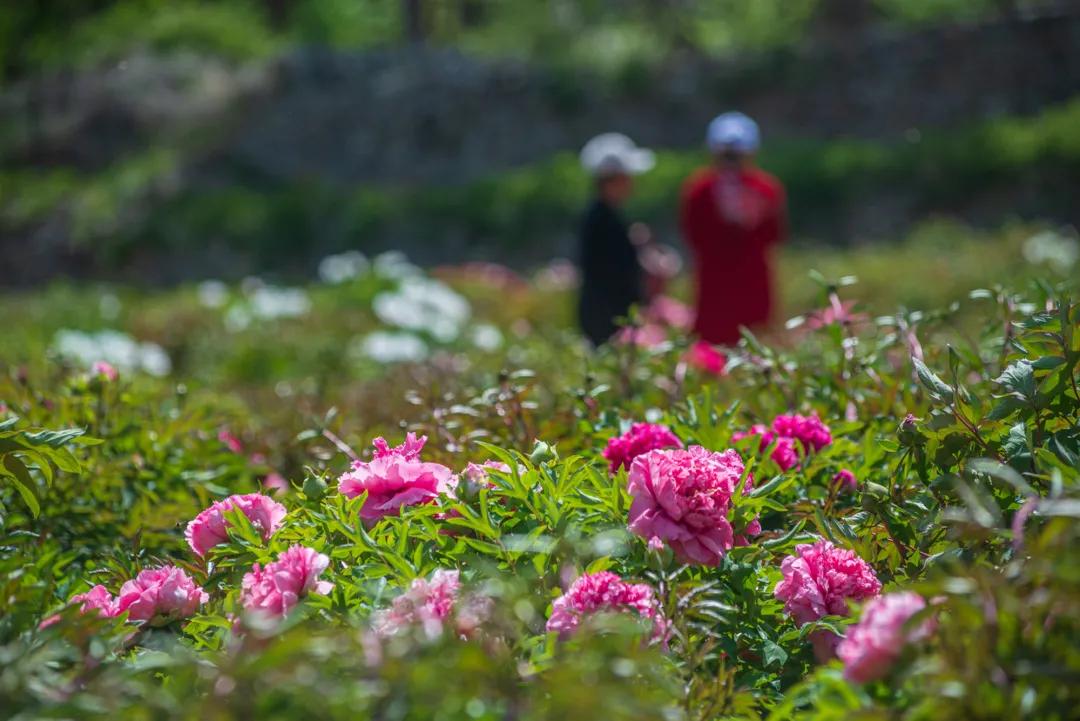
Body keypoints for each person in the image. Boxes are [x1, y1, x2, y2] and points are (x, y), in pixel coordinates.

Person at [679, 112, 787, 346]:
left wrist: (750, 217)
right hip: (715, 290)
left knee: (756, 347)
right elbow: (693, 235)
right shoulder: (700, 190)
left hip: (753, 287)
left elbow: (774, 235)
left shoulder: (764, 189)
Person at [576, 133, 655, 346]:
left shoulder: (606, 216)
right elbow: (611, 273)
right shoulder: (601, 220)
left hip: (606, 318)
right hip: (607, 321)